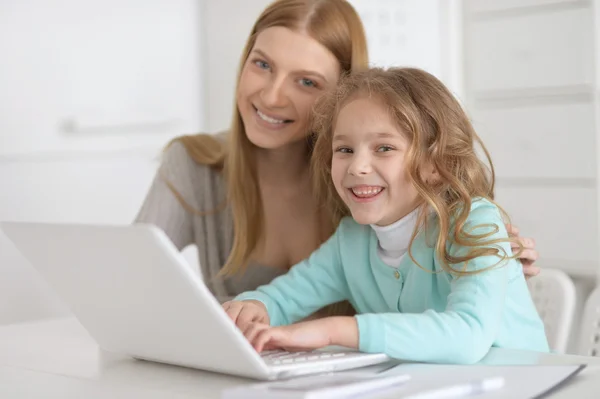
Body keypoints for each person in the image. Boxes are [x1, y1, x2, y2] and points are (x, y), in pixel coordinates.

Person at [135, 0, 540, 312]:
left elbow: (459, 239)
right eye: (262, 65)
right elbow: (125, 289)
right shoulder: (193, 165)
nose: (272, 96)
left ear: (343, 97)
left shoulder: (369, 182)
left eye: (307, 82)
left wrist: (497, 258)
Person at [222, 67, 550, 364]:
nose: (357, 166)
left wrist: (335, 331)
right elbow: (281, 298)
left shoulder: (475, 222)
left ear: (434, 164)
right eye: (345, 149)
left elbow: (468, 335)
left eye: (384, 148)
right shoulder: (350, 243)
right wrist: (252, 307)